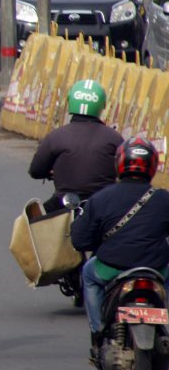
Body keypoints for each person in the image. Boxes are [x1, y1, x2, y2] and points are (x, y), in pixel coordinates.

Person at [71, 137, 169, 351]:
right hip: (156, 268)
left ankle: (98, 331)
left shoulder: (101, 198)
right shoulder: (164, 198)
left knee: (88, 275)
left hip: (111, 267)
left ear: (119, 164)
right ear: (153, 166)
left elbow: (79, 241)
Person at [29, 79, 124, 212]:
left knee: (29, 225)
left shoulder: (56, 136)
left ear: (70, 102)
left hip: (63, 205)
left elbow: (35, 171)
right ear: (102, 105)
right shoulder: (115, 138)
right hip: (104, 205)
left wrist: (52, 172)